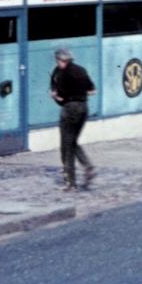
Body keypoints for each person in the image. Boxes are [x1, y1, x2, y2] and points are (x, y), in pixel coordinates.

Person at [50, 48, 96, 191]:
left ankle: (71, 183)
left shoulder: (61, 74)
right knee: (73, 141)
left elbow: (61, 96)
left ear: (59, 60)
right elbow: (92, 90)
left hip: (69, 109)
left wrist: (55, 96)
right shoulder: (81, 70)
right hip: (83, 108)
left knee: (67, 145)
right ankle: (87, 166)